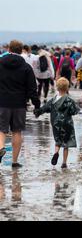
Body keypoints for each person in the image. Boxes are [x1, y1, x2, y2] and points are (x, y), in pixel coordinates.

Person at [0, 40, 41, 168]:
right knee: (17, 131)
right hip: (19, 104)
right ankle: (14, 161)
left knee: (1, 130)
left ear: (9, 49)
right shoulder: (26, 67)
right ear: (21, 50)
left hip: (2, 102)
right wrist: (36, 104)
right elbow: (32, 88)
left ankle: (1, 147)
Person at [34, 78, 79, 168]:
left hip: (55, 123)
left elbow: (45, 108)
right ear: (67, 88)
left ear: (57, 88)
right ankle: (64, 163)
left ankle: (56, 152)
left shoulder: (54, 100)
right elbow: (75, 111)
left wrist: (38, 111)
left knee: (58, 140)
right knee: (66, 143)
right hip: (67, 124)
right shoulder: (69, 100)